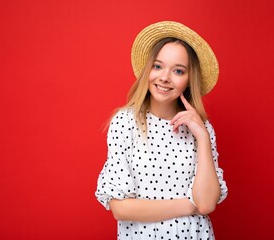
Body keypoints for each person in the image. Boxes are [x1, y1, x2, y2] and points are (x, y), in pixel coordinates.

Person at [95, 21, 228, 240]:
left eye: (178, 70)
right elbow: (120, 208)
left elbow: (206, 203)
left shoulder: (201, 130)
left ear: (188, 80)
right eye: (157, 66)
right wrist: (188, 205)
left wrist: (203, 137)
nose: (165, 77)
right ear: (148, 70)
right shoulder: (125, 122)